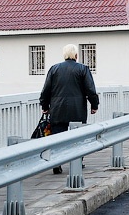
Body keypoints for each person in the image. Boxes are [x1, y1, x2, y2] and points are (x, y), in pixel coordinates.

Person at [39, 44, 99, 174]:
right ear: (76, 55)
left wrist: (44, 106)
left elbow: (46, 90)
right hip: (77, 110)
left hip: (57, 109)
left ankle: (56, 162)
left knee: (58, 137)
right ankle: (78, 161)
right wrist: (94, 105)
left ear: (64, 55)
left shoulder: (54, 69)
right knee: (78, 136)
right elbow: (90, 90)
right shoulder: (83, 69)